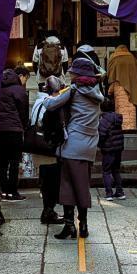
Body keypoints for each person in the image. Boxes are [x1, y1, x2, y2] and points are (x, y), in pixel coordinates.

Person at [45, 57, 104, 239]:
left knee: (68, 185)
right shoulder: (97, 91)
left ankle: (70, 225)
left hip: (73, 145)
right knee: (82, 185)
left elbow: (50, 105)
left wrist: (48, 96)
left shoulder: (73, 90)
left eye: (72, 71)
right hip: (90, 145)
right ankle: (83, 226)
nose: (69, 73)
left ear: (77, 75)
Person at [29, 75, 64, 224]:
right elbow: (52, 125)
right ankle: (48, 211)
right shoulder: (51, 104)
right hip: (49, 147)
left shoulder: (38, 102)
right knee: (52, 181)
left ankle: (47, 211)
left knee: (45, 180)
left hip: (38, 146)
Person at [0, 66, 29, 201]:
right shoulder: (19, 90)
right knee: (14, 162)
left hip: (0, 129)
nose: (25, 81)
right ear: (20, 76)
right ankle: (13, 192)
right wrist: (24, 127)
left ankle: (3, 191)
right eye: (25, 78)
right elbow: (23, 111)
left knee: (3, 162)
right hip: (15, 130)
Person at [106, 43, 137, 132]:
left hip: (119, 86)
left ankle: (121, 126)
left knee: (120, 105)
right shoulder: (132, 58)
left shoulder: (114, 57)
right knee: (131, 106)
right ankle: (131, 126)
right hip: (132, 86)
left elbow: (110, 73)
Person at [98, 96, 126, 200]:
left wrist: (99, 145)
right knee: (116, 170)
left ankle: (109, 193)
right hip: (118, 147)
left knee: (106, 171)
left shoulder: (104, 120)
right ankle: (120, 191)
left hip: (108, 148)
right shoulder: (117, 118)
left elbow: (102, 134)